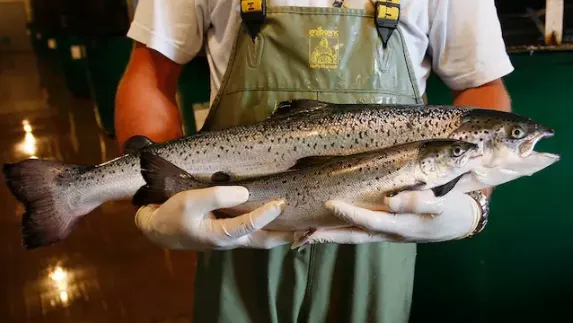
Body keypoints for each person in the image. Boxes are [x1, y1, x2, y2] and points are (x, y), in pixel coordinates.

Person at [115, 0, 513, 321]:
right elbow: (150, 71)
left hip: (381, 236)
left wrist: (473, 200)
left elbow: (479, 85)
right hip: (234, 232)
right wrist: (157, 198)